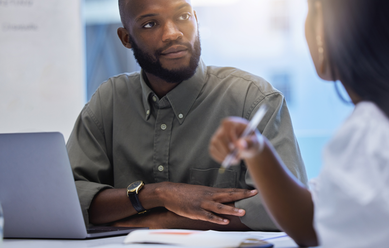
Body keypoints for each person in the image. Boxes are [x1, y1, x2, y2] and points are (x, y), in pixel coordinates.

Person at [210, 0, 389, 246]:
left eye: (311, 10)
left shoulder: (373, 131)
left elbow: (320, 233)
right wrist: (258, 151)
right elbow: (313, 222)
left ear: (326, 25)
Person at [67, 0, 307, 231]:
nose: (172, 33)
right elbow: (68, 199)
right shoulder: (109, 100)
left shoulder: (254, 99)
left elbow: (286, 210)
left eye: (183, 16)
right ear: (126, 38)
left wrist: (162, 222)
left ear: (196, 19)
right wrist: (160, 194)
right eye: (150, 24)